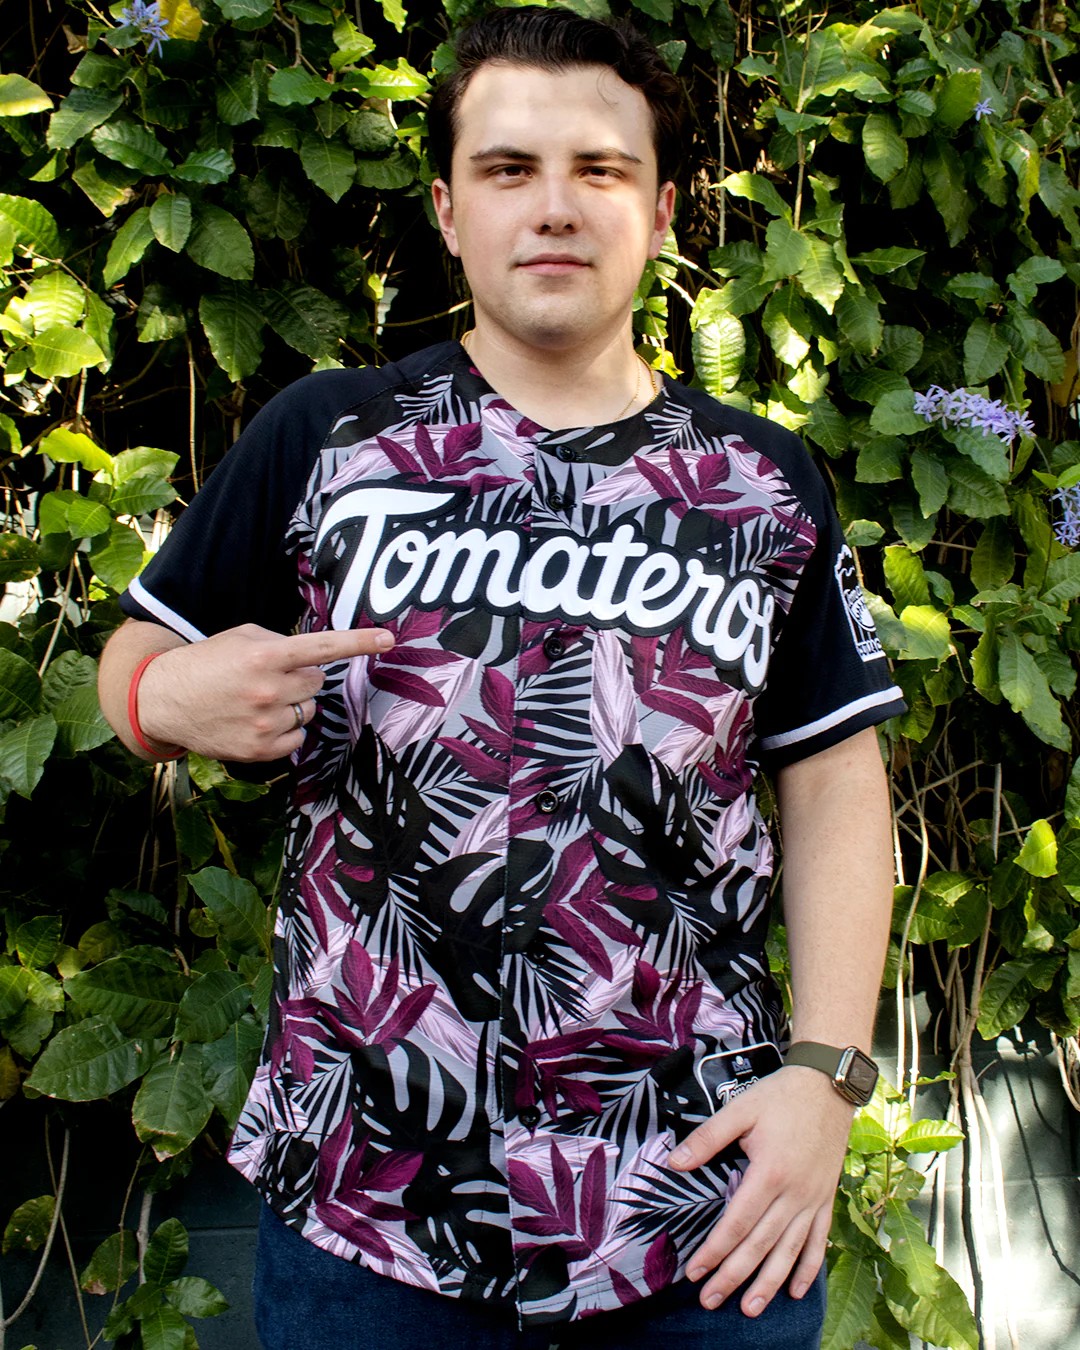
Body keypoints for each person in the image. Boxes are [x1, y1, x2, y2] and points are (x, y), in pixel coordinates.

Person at [98, 7, 904, 1347]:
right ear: (447, 209)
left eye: (602, 170)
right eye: (509, 168)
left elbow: (833, 778)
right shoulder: (325, 436)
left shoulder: (763, 480)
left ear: (661, 212)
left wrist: (826, 1078)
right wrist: (162, 701)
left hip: (700, 1207)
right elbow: (132, 658)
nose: (556, 207)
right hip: (367, 1201)